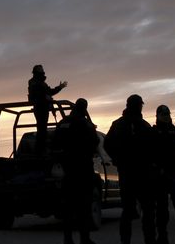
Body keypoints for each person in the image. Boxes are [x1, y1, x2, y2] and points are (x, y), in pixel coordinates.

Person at [105, 94, 156, 244]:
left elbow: (107, 145)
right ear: (139, 106)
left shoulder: (117, 124)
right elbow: (153, 150)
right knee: (147, 210)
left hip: (127, 173)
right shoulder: (144, 126)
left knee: (128, 211)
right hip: (142, 175)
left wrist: (117, 160)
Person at [54, 98, 100, 244]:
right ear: (84, 108)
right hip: (82, 170)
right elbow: (95, 141)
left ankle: (68, 239)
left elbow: (55, 142)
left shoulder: (63, 123)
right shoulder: (84, 123)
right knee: (84, 207)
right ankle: (84, 239)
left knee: (68, 207)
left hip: (67, 171)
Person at [151, 105, 175, 244]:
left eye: (167, 113)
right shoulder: (153, 132)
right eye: (162, 114)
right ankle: (162, 237)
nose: (165, 116)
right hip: (160, 176)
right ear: (157, 116)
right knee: (161, 210)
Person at [28, 64, 68, 155]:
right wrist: (49, 95)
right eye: (41, 70)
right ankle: (40, 151)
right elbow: (45, 92)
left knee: (42, 129)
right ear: (37, 72)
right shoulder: (35, 82)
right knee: (41, 130)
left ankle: (41, 150)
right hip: (40, 108)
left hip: (42, 107)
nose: (43, 71)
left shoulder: (40, 82)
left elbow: (49, 92)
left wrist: (59, 88)